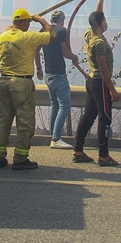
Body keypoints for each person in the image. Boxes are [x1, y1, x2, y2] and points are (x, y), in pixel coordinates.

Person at [0, 9, 55, 171]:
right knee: (25, 122)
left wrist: (7, 33)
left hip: (4, 82)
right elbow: (52, 36)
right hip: (21, 83)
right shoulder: (28, 37)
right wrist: (41, 20)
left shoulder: (2, 37)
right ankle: (20, 158)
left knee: (3, 121)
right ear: (26, 23)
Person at [73, 0, 121, 166]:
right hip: (100, 83)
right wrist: (113, 90)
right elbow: (104, 69)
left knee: (89, 115)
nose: (106, 21)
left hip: (92, 81)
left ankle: (78, 150)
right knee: (105, 117)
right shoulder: (99, 43)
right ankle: (104, 155)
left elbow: (96, 15)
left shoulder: (88, 35)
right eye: (105, 20)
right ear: (101, 24)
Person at [34, 10, 82, 150]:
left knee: (55, 105)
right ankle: (56, 138)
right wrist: (74, 57)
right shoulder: (62, 31)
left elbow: (36, 51)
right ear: (62, 20)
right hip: (59, 74)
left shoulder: (43, 30)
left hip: (48, 74)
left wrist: (39, 68)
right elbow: (65, 52)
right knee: (65, 106)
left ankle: (53, 136)